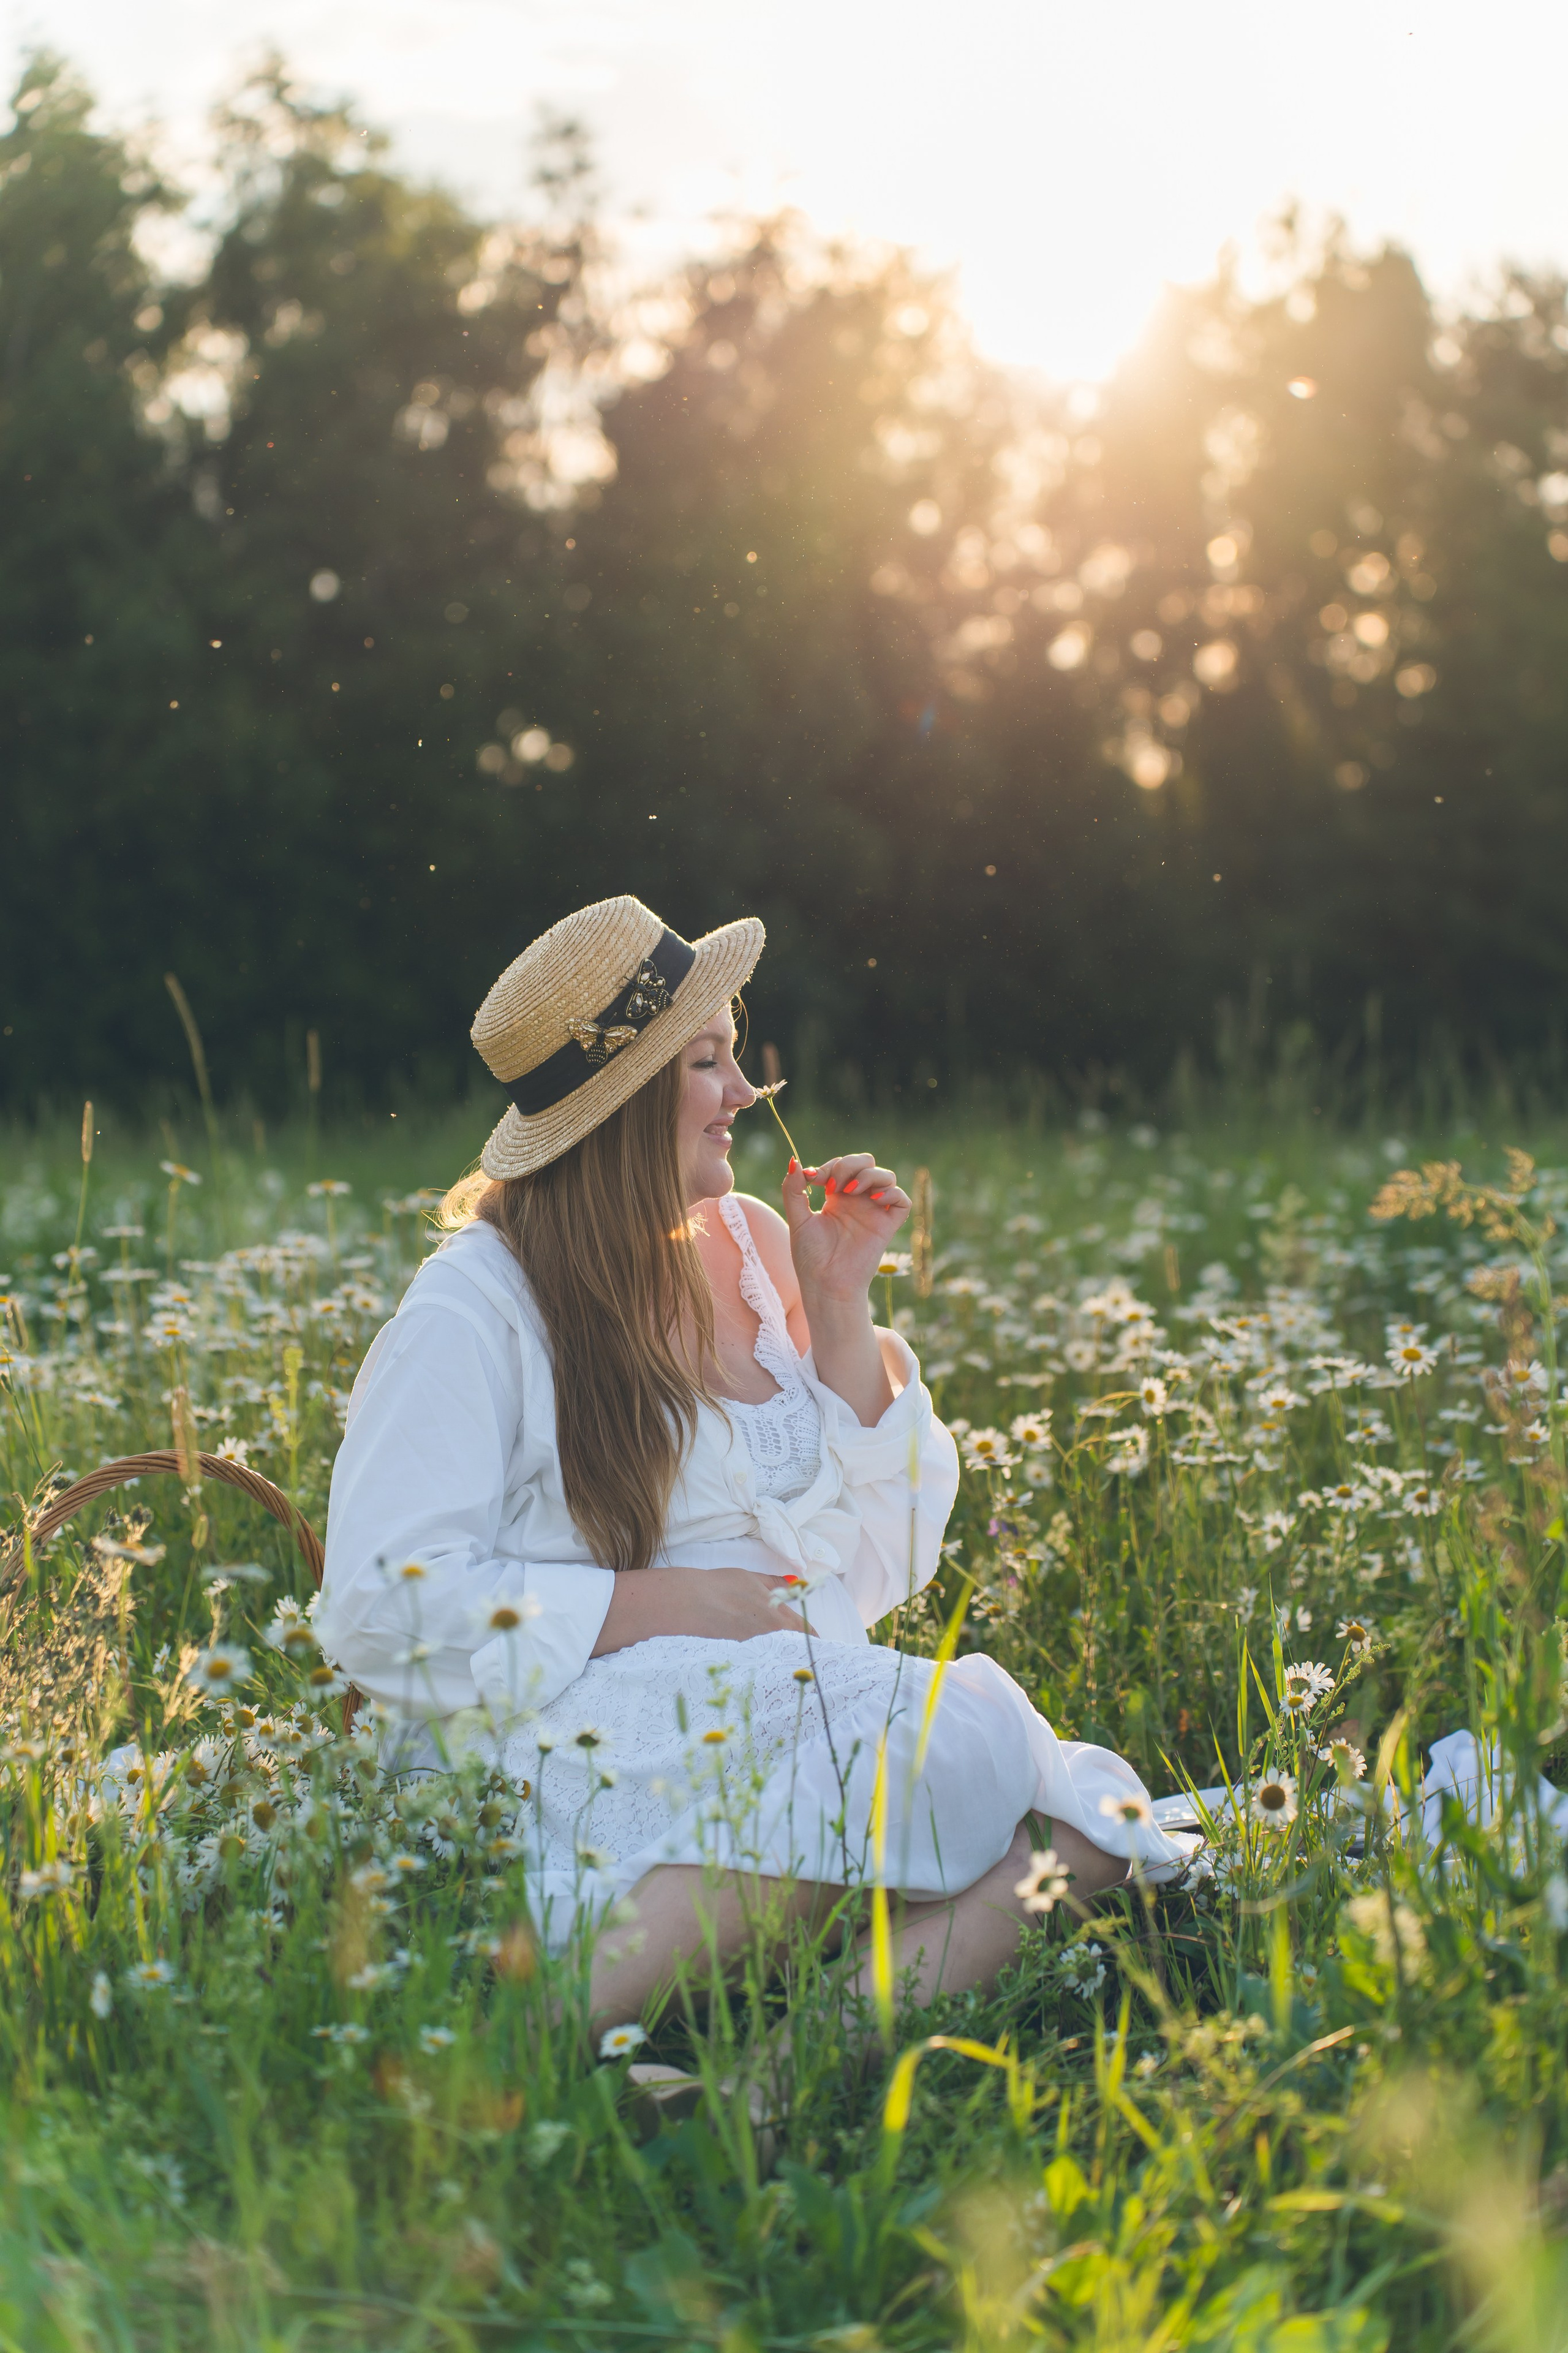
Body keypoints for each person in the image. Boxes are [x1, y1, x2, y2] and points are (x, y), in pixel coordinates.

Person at [317, 895, 1191, 2052]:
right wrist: (663, 1604)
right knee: (971, 1753)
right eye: (709, 1062)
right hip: (579, 1742)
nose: (745, 1093)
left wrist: (839, 1306)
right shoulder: (476, 1305)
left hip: (788, 1708)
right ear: (622, 1103)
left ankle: (778, 2073)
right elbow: (379, 1606)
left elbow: (883, 1565)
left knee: (1086, 1828)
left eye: (737, 1054)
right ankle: (535, 2034)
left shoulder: (754, 1245)